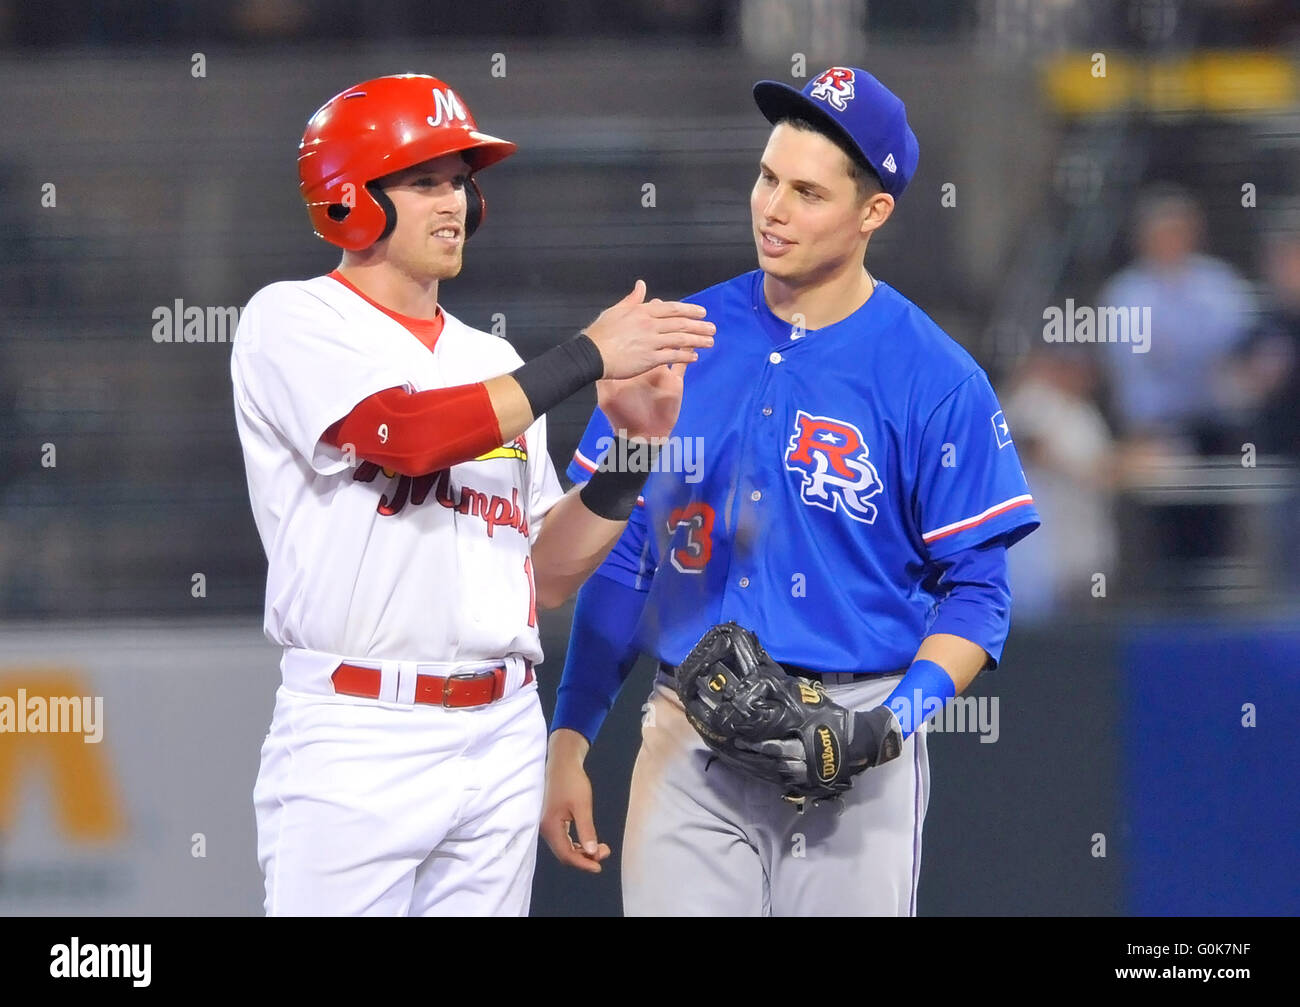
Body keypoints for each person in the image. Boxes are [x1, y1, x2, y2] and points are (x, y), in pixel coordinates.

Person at [541, 66, 1040, 916]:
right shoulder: (675, 340)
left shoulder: (934, 378)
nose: (773, 208)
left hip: (858, 732)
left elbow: (980, 595)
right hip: (688, 735)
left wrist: (883, 728)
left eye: (807, 192)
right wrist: (571, 735)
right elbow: (625, 563)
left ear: (872, 211)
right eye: (768, 177)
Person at [229, 73, 714, 916]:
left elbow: (548, 574)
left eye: (460, 180)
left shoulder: (492, 363)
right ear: (348, 199)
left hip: (500, 727)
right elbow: (405, 437)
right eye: (423, 181)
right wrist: (585, 356)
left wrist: (634, 452)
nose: (453, 200)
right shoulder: (293, 319)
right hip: (358, 729)